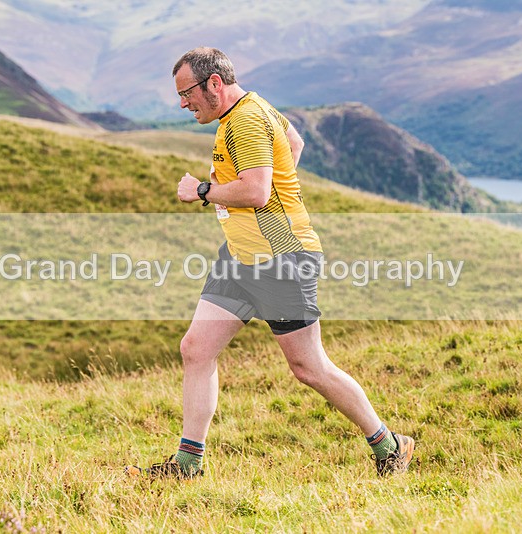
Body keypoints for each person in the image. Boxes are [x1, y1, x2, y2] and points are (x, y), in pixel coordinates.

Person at [125, 47, 414, 479]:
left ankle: (390, 445)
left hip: (282, 260)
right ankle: (188, 464)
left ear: (215, 85)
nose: (183, 103)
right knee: (196, 348)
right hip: (241, 258)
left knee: (308, 368)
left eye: (187, 93)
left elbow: (256, 193)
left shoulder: (244, 122)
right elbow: (295, 143)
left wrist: (201, 191)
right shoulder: (255, 106)